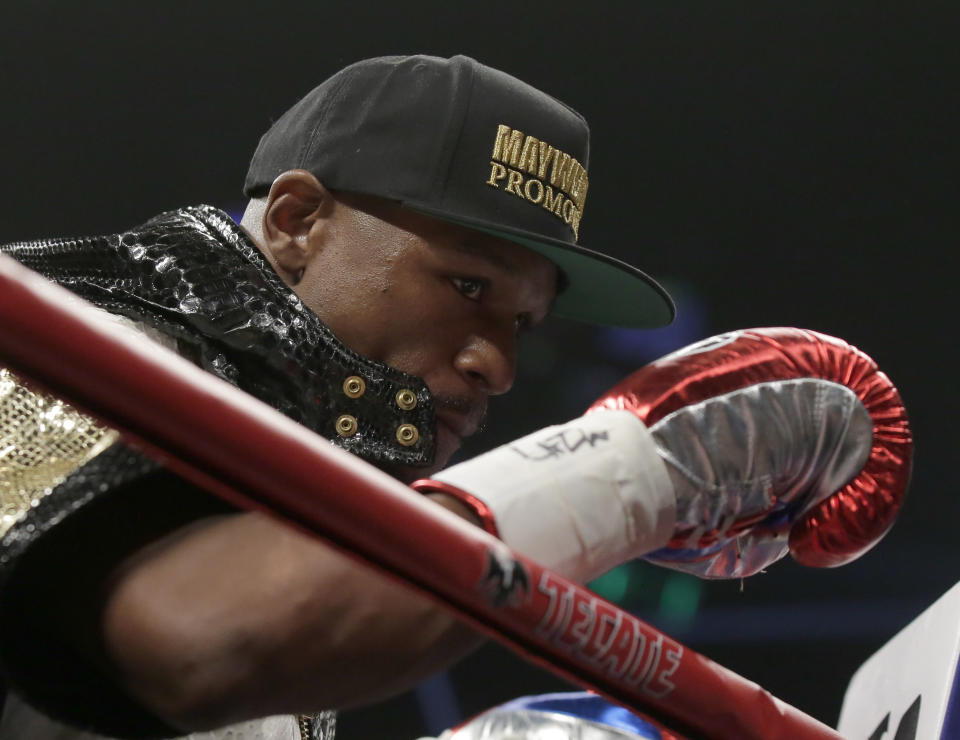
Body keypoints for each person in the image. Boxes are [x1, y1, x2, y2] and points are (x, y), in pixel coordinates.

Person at [0, 54, 906, 740]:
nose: (497, 368)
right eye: (468, 287)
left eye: (524, 323)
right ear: (296, 222)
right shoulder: (51, 340)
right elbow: (199, 643)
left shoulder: (282, 494)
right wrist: (633, 469)